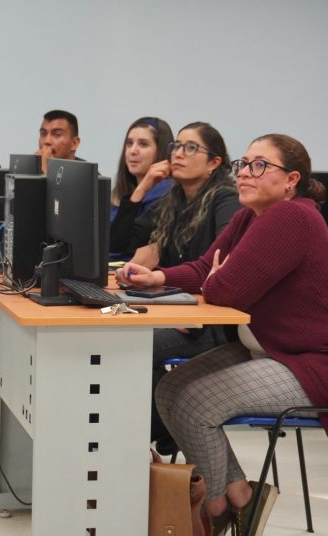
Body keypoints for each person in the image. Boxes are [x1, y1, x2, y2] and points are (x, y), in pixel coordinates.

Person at [117, 133, 328, 534]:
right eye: (244, 164)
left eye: (260, 165)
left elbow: (224, 290)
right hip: (276, 350)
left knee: (196, 402)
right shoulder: (248, 217)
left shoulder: (292, 217)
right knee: (169, 391)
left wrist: (216, 279)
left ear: (291, 180)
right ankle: (239, 497)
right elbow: (206, 270)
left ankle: (214, 510)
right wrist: (158, 277)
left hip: (327, 365)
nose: (244, 173)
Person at [117, 122, 242, 453]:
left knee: (134, 345)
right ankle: (157, 431)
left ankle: (140, 438)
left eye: (191, 148)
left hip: (212, 324)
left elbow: (217, 266)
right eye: (176, 146)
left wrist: (162, 281)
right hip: (178, 310)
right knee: (116, 330)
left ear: (214, 162)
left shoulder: (225, 200)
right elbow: (119, 241)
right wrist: (143, 187)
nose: (178, 154)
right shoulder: (174, 199)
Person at [109, 116, 174, 258]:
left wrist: (141, 189)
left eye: (143, 144)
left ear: (161, 150)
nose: (132, 151)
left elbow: (119, 245)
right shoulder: (120, 190)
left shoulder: (165, 192)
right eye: (129, 143)